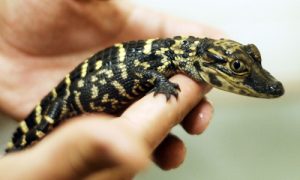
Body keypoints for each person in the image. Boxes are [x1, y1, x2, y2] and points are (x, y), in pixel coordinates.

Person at [0, 0, 220, 179]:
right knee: (40, 128)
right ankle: (15, 150)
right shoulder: (165, 58)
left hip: (91, 93)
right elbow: (144, 72)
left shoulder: (170, 57)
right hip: (69, 97)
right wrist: (160, 82)